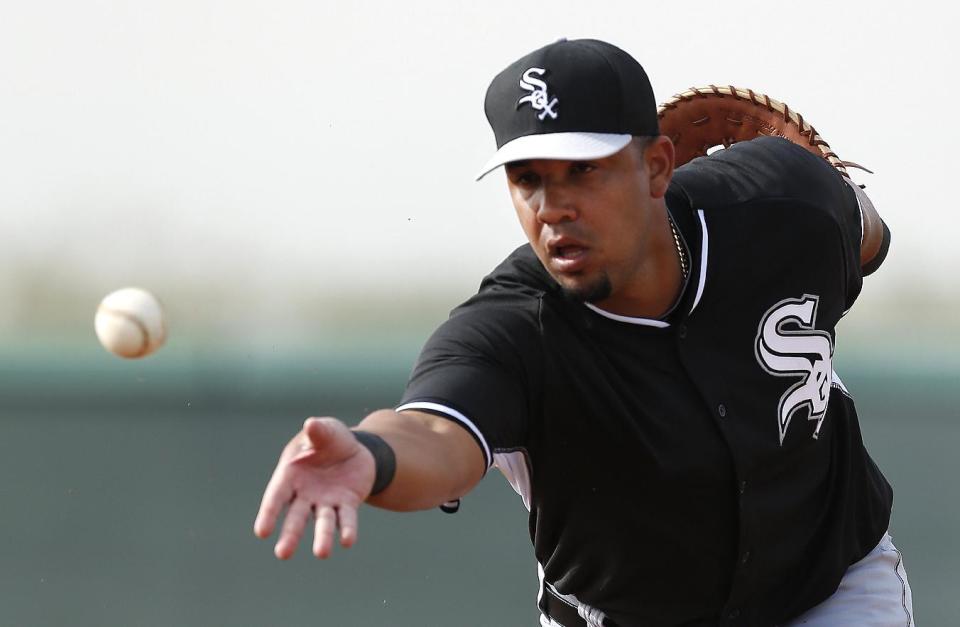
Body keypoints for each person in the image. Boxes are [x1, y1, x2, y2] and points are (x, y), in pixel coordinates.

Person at [254, 38, 913, 626]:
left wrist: (831, 217)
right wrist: (372, 457)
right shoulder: (513, 329)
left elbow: (866, 235)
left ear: (657, 167)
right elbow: (432, 431)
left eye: (582, 170)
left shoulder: (784, 204)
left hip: (830, 589)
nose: (553, 207)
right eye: (528, 179)